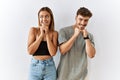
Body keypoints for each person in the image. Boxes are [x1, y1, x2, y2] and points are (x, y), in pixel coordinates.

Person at [57, 7, 96, 80]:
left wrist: (86, 37)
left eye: (86, 20)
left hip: (81, 76)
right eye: (80, 19)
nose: (82, 23)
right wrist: (75, 35)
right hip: (64, 75)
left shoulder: (89, 36)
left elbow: (91, 55)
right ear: (76, 18)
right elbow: (62, 50)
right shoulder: (64, 31)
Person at [27, 7, 58, 80]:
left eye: (47, 16)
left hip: (49, 67)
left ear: (51, 18)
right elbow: (30, 51)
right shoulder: (33, 30)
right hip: (35, 67)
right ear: (39, 18)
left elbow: (53, 53)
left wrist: (47, 34)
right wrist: (41, 35)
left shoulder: (54, 33)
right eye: (41, 16)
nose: (44, 19)